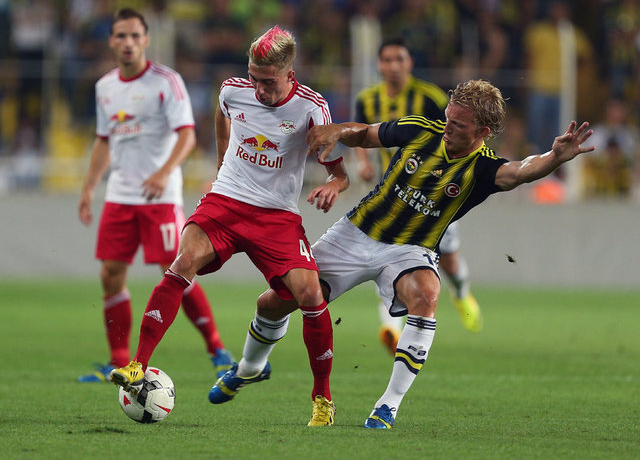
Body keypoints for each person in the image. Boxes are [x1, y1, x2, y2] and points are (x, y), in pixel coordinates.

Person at [214, 79, 594, 429]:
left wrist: (554, 157)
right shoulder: (420, 130)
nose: (447, 127)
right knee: (273, 302)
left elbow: (522, 170)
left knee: (427, 295)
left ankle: (388, 406)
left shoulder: (483, 169)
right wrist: (337, 130)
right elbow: (366, 133)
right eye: (448, 117)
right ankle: (250, 366)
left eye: (458, 125)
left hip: (411, 250)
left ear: (482, 132)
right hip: (356, 234)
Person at [109, 25, 349, 426]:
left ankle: (322, 397)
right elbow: (224, 116)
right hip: (226, 201)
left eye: (268, 82)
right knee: (183, 262)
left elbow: (339, 174)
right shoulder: (232, 91)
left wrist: (332, 185)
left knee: (310, 294)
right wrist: (222, 164)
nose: (258, 89)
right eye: (253, 78)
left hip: (276, 215)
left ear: (289, 73)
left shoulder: (311, 108)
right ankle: (137, 366)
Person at [78, 8, 233, 383]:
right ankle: (118, 360)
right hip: (119, 195)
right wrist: (89, 187)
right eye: (121, 36)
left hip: (160, 198)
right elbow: (103, 141)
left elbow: (187, 135)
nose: (128, 43)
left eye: (135, 35)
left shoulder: (167, 82)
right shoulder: (105, 87)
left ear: (146, 40)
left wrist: (164, 173)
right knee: (110, 273)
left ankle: (217, 349)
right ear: (112, 41)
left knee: (176, 269)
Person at [353, 37, 482, 354]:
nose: (393, 66)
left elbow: (454, 137)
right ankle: (390, 327)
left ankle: (461, 293)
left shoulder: (431, 98)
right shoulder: (367, 99)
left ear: (410, 63)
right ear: (379, 65)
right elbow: (361, 132)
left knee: (450, 261)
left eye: (399, 59)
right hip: (393, 194)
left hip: (435, 195)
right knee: (386, 255)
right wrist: (362, 162)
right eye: (387, 60)